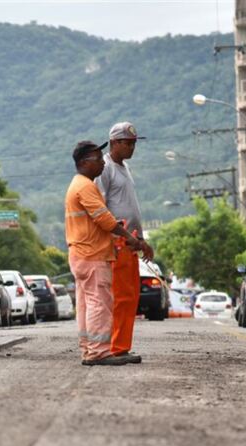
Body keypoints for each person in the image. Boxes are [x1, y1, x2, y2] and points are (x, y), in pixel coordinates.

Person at [64, 140, 145, 367]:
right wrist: (128, 236)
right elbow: (103, 218)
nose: (102, 162)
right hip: (92, 255)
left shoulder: (78, 184)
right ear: (84, 163)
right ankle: (99, 352)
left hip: (82, 253)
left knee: (87, 304)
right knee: (100, 303)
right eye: (98, 159)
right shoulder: (85, 186)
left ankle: (89, 350)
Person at [96, 121, 154, 363]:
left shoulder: (125, 168)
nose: (131, 148)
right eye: (126, 143)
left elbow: (129, 207)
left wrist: (140, 240)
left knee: (130, 296)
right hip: (116, 243)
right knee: (118, 296)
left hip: (131, 243)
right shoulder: (105, 168)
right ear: (113, 143)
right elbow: (100, 208)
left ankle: (121, 346)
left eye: (133, 143)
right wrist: (121, 237)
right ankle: (113, 347)